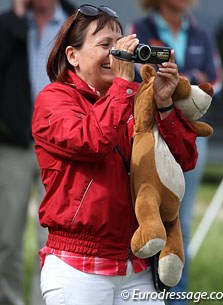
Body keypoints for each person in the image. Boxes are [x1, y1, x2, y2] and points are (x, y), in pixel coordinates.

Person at [31, 4, 198, 305]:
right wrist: (123, 85)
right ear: (73, 56)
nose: (116, 54)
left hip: (137, 265)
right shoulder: (53, 100)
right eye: (105, 45)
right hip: (78, 267)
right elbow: (92, 141)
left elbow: (184, 160)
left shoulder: (135, 97)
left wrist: (164, 105)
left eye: (120, 44)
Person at [125, 0, 223, 304]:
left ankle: (176, 296)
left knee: (180, 219)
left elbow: (214, 80)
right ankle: (142, 289)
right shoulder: (140, 29)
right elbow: (134, 71)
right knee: (145, 211)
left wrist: (181, 85)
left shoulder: (201, 34)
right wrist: (180, 82)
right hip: (148, 130)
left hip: (188, 133)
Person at [0, 1, 75, 305]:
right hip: (14, 144)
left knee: (53, 240)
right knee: (6, 238)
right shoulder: (8, 25)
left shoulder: (74, 22)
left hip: (61, 145)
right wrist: (17, 21)